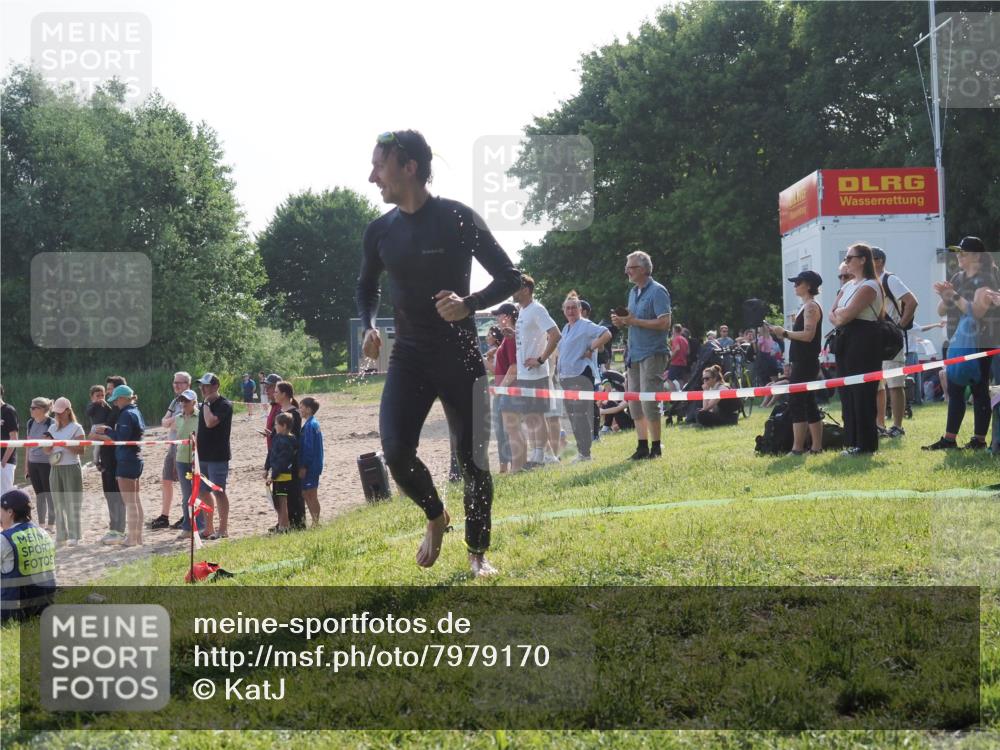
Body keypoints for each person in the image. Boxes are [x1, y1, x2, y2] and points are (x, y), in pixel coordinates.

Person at [356, 129, 520, 577]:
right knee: (395, 451)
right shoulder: (380, 231)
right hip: (408, 355)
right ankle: (435, 514)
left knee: (471, 461)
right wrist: (370, 325)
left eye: (380, 165)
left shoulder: (457, 218)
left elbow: (511, 277)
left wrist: (469, 304)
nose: (372, 176)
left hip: (460, 353)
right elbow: (366, 287)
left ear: (409, 167)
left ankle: (477, 553)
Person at [923, 236, 1000, 450]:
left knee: (979, 388)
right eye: (957, 252)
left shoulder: (987, 279)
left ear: (976, 256)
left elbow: (976, 311)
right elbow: (940, 310)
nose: (958, 256)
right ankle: (949, 439)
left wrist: (953, 295)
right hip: (957, 341)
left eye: (962, 252)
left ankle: (979, 440)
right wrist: (947, 296)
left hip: (981, 342)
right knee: (955, 388)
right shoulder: (957, 277)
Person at [611, 251, 672, 460]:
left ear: (644, 269)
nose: (627, 270)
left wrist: (635, 321)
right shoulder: (633, 292)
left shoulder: (658, 292)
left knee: (648, 401)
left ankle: (656, 447)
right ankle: (642, 446)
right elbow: (631, 318)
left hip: (653, 353)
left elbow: (665, 323)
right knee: (634, 402)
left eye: (631, 267)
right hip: (634, 353)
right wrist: (622, 321)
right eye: (627, 267)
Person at [830, 243, 884, 456]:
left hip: (864, 341)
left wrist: (841, 315)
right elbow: (833, 313)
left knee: (862, 393)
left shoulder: (870, 285)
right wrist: (841, 315)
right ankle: (852, 440)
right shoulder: (848, 285)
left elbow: (847, 314)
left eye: (850, 257)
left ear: (862, 260)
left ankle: (866, 444)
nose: (847, 261)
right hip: (845, 339)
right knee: (847, 392)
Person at [511, 275, 562, 469]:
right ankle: (542, 454)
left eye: (515, 288)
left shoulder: (537, 309)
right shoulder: (523, 311)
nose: (512, 292)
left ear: (526, 289)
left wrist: (540, 359)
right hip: (525, 373)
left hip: (536, 373)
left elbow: (555, 334)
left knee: (537, 414)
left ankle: (541, 456)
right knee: (531, 416)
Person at [771, 270, 824, 455]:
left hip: (806, 362)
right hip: (802, 362)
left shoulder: (811, 307)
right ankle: (816, 447)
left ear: (808, 285)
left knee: (797, 402)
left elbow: (808, 335)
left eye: (798, 282)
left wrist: (783, 333)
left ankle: (797, 448)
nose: (795, 285)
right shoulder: (806, 307)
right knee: (808, 403)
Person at [558, 291, 612, 462]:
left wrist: (592, 348)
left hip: (581, 375)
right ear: (563, 310)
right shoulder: (566, 328)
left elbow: (607, 334)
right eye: (567, 308)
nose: (571, 311)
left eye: (574, 307)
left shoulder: (586, 325)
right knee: (573, 415)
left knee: (580, 414)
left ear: (580, 309)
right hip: (566, 377)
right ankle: (582, 452)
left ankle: (585, 453)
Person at [871, 248, 918, 439]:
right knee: (877, 385)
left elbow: (912, 301)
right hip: (875, 339)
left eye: (870, 259)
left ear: (880, 261)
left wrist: (900, 325)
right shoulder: (869, 282)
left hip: (891, 339)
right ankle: (879, 425)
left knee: (895, 384)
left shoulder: (889, 279)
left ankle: (897, 426)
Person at [93, 386, 146, 545]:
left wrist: (107, 431)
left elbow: (121, 438)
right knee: (135, 500)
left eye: (116, 400)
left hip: (126, 460)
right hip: (136, 458)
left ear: (123, 398)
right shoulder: (136, 411)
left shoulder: (126, 414)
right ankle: (138, 537)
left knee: (130, 502)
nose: (115, 403)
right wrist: (110, 430)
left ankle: (131, 538)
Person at [1, 489, 56, 623]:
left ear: (10, 512)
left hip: (13, 611)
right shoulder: (44, 533)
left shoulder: (5, 539)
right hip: (44, 606)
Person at [149, 371, 192, 530]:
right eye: (175, 382)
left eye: (180, 383)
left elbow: (180, 423)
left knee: (184, 482)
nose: (176, 385)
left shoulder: (189, 401)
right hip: (172, 444)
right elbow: (164, 422)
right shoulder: (175, 402)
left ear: (188, 385)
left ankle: (186, 514)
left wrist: (171, 422)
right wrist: (171, 422)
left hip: (184, 446)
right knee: (166, 480)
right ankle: (164, 515)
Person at [42, 397, 86, 546]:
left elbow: (81, 450)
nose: (58, 415)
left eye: (60, 412)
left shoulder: (77, 428)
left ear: (68, 411)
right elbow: (47, 451)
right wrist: (47, 444)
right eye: (56, 413)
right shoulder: (52, 428)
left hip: (71, 467)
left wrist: (63, 444)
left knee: (72, 502)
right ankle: (61, 536)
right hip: (55, 468)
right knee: (58, 502)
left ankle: (75, 535)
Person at [84, 386, 125, 544]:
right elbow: (88, 412)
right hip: (97, 428)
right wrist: (96, 403)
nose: (102, 397)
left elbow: (111, 430)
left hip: (111, 449)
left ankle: (118, 528)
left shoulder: (112, 409)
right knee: (96, 449)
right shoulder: (93, 406)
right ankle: (96, 461)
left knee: (116, 494)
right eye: (98, 395)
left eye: (104, 393)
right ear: (92, 396)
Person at [195, 373, 233, 540]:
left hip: (218, 456)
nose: (203, 389)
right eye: (202, 386)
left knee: (219, 492)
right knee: (202, 492)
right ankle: (208, 528)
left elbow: (210, 422)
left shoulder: (224, 404)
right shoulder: (205, 404)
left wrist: (205, 405)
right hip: (202, 455)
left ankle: (223, 529)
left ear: (216, 386)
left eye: (207, 386)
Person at [494, 303, 524, 473]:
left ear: (508, 316)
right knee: (511, 430)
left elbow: (514, 367)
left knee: (512, 430)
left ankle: (517, 467)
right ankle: (517, 466)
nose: (498, 319)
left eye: (500, 315)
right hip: (508, 389)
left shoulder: (510, 337)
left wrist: (501, 388)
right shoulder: (507, 337)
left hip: (510, 389)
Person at [173, 389, 203, 538]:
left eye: (187, 401)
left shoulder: (201, 416)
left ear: (194, 402)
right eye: (182, 400)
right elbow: (177, 438)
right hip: (181, 460)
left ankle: (201, 525)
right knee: (186, 495)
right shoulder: (178, 418)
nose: (183, 403)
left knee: (198, 492)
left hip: (197, 460)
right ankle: (187, 526)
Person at [274, 381, 305, 529]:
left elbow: (295, 438)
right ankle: (283, 522)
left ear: (284, 394)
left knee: (292, 493)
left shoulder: (294, 413)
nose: (274, 394)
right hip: (278, 458)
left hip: (289, 460)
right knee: (279, 494)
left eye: (276, 391)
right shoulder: (280, 411)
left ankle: (297, 523)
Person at [23, 397, 56, 533]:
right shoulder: (30, 423)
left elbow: (55, 446)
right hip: (33, 463)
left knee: (49, 494)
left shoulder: (51, 423)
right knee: (39, 495)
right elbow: (27, 446)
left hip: (47, 463)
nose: (30, 410)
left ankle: (51, 526)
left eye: (33, 408)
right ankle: (41, 525)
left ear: (42, 409)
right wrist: (26, 466)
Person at [485, 320, 512, 473]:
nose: (486, 337)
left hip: (502, 390)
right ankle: (505, 464)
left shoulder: (497, 350)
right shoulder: (494, 350)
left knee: (502, 429)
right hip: (499, 390)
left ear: (495, 337)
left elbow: (497, 371)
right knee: (501, 429)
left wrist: (483, 360)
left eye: (489, 334)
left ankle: (505, 465)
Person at [264, 412, 298, 534]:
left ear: (283, 426)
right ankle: (282, 524)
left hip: (282, 476)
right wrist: (266, 468)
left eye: (276, 424)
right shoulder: (277, 438)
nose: (274, 427)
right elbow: (271, 453)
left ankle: (284, 526)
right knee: (277, 501)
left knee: (282, 501)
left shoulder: (287, 441)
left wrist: (273, 477)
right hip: (276, 474)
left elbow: (282, 461)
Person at [298, 397, 324, 527]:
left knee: (311, 494)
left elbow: (309, 448)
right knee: (306, 494)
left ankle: (316, 522)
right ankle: (315, 522)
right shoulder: (313, 423)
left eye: (301, 407)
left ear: (309, 409)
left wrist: (304, 466)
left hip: (311, 466)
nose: (300, 409)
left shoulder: (310, 425)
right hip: (315, 464)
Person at [0, 386, 19, 495]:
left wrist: (3, 462)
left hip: (6, 462)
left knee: (5, 496)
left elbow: (14, 438)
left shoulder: (8, 411)